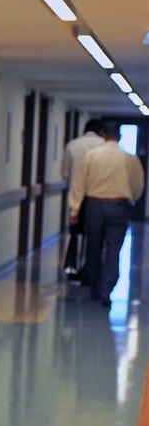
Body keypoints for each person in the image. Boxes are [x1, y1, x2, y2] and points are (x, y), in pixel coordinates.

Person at [69, 120, 145, 306]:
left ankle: (94, 286)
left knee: (93, 247)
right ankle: (106, 290)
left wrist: (75, 208)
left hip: (94, 205)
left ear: (103, 135)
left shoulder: (91, 156)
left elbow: (80, 184)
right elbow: (138, 184)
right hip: (119, 206)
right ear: (119, 136)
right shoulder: (129, 158)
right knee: (114, 249)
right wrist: (132, 198)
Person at [61, 118, 105, 278]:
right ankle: (90, 269)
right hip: (98, 197)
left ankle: (73, 267)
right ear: (101, 132)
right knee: (95, 236)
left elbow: (64, 173)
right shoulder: (104, 146)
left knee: (76, 232)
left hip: (77, 197)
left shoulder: (72, 145)